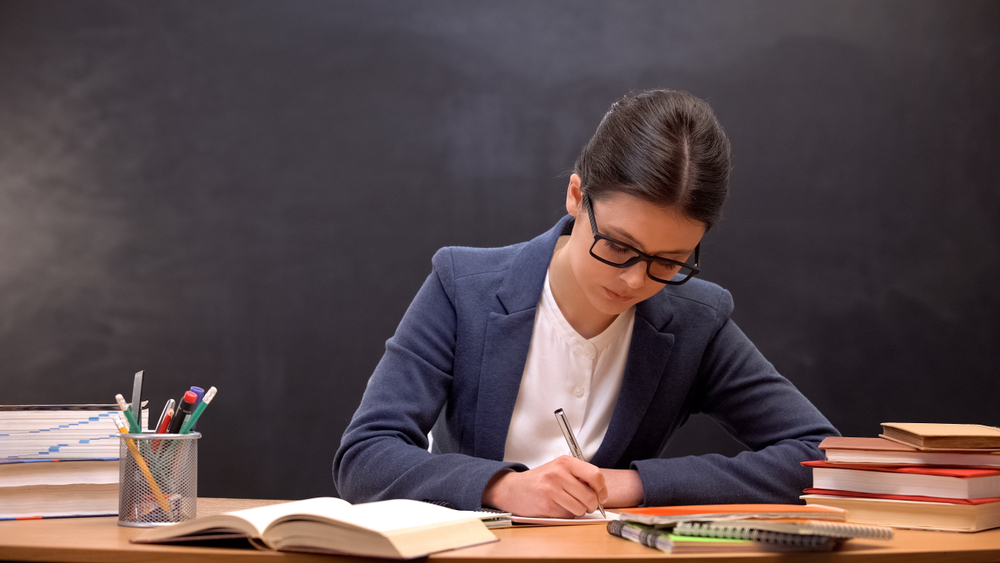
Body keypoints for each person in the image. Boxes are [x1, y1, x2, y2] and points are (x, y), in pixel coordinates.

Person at [333, 89, 839, 517]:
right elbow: (365, 457)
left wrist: (631, 484)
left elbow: (818, 456)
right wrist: (505, 488)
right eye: (618, 245)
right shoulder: (463, 286)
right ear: (577, 197)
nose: (635, 279)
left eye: (670, 260)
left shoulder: (695, 321)